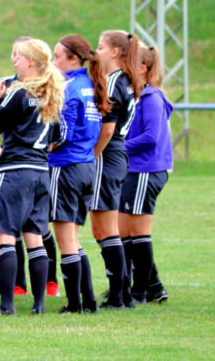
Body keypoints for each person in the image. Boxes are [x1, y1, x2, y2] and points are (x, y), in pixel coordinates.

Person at [0, 38, 64, 316]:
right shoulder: (52, 94)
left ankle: (7, 307)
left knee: (5, 238)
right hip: (41, 172)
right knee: (35, 238)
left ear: (31, 62)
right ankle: (39, 305)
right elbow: (58, 138)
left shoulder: (18, 94)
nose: (14, 60)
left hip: (14, 172)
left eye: (18, 57)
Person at [49, 35, 108, 313]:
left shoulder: (69, 87)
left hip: (65, 166)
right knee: (73, 238)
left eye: (57, 56)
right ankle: (90, 301)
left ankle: (75, 305)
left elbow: (62, 134)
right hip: (86, 166)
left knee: (66, 241)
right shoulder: (89, 84)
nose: (53, 61)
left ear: (73, 58)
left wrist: (41, 146)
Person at [90, 30, 142, 309]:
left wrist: (92, 155)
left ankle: (119, 295)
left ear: (114, 52)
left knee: (104, 229)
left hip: (108, 155)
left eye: (100, 47)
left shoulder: (112, 82)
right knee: (104, 229)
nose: (95, 52)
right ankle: (121, 293)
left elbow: (107, 129)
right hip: (117, 156)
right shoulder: (127, 80)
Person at [118, 44, 172, 304]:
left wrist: (117, 146)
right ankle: (151, 286)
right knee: (124, 231)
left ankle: (140, 291)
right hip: (135, 170)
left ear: (142, 68)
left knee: (137, 233)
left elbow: (151, 137)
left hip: (145, 170)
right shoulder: (135, 96)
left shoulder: (151, 98)